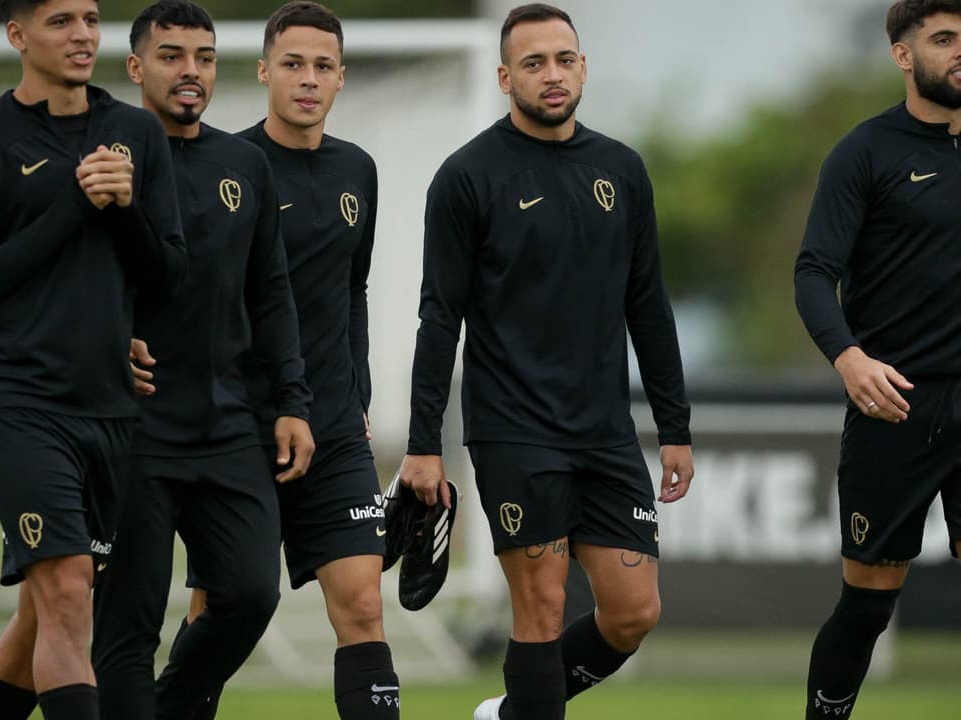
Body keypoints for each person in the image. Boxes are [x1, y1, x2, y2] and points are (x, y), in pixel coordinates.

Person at [397, 4, 694, 719]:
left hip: (604, 432)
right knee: (543, 605)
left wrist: (675, 426)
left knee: (633, 612)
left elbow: (647, 307)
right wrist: (422, 445)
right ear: (506, 77)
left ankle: (510, 712)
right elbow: (440, 317)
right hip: (513, 429)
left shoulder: (621, 169)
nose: (552, 74)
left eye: (564, 59)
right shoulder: (467, 177)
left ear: (583, 67)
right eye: (534, 63)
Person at [0, 1, 186, 719]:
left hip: (110, 401)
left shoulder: (135, 132)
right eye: (60, 21)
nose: (82, 35)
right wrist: (75, 205)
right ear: (18, 35)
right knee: (68, 589)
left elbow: (169, 275)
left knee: (50, 608)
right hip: (18, 400)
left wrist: (126, 207)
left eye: (91, 17)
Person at [794, 1, 961, 718]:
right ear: (904, 56)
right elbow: (813, 273)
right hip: (894, 410)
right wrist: (849, 358)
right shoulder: (864, 154)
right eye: (943, 39)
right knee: (866, 609)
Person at [89, 3, 314, 719]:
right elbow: (58, 284)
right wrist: (104, 340)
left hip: (227, 426)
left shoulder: (243, 164)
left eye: (205, 56)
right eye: (172, 55)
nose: (191, 71)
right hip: (131, 431)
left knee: (252, 591)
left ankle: (170, 706)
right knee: (126, 623)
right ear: (135, 68)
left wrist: (292, 401)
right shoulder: (99, 157)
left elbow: (272, 293)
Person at [178, 3, 400, 718]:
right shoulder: (226, 166)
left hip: (333, 427)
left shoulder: (358, 171)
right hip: (240, 426)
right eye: (294, 64)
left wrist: (356, 397)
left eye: (323, 66)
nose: (309, 79)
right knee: (220, 605)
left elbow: (352, 289)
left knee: (363, 604)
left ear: (341, 79)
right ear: (264, 70)